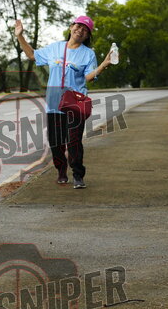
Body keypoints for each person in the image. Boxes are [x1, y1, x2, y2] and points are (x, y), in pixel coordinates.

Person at [14, 16, 112, 189]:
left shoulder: (88, 54)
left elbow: (88, 77)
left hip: (75, 104)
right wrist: (20, 36)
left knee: (74, 141)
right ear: (71, 27)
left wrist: (103, 65)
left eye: (85, 30)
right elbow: (32, 55)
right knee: (56, 142)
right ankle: (61, 170)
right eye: (78, 26)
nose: (80, 31)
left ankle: (78, 175)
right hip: (54, 104)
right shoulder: (55, 48)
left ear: (87, 35)